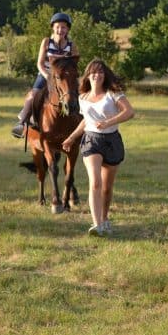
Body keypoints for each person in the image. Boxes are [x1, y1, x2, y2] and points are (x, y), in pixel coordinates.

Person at [62, 59, 134, 236]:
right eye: (93, 71)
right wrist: (71, 138)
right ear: (88, 75)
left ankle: (105, 218)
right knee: (95, 182)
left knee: (107, 188)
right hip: (91, 141)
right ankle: (97, 225)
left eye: (101, 71)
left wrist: (109, 122)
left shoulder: (113, 94)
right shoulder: (83, 97)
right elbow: (86, 120)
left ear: (105, 75)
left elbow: (129, 112)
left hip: (112, 141)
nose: (97, 74)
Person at [11, 12, 80, 138]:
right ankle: (22, 123)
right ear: (53, 28)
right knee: (33, 95)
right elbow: (39, 63)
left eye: (64, 27)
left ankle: (84, 122)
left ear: (68, 29)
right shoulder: (46, 42)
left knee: (79, 93)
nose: (60, 30)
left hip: (64, 76)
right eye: (58, 27)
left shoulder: (72, 45)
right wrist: (47, 75)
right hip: (45, 73)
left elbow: (75, 64)